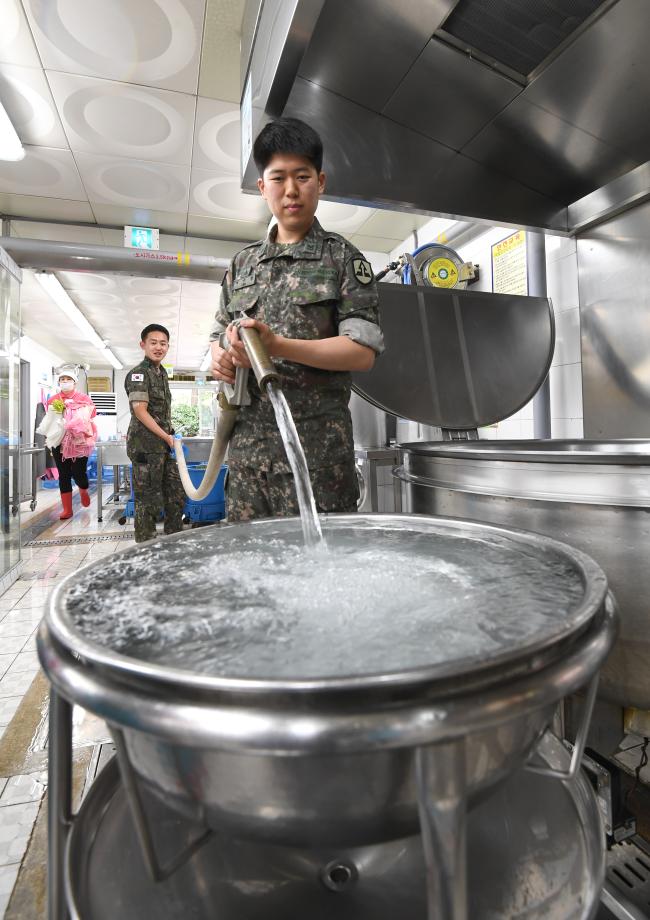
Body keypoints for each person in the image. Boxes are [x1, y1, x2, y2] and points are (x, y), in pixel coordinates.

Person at [209, 117, 384, 521]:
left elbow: (362, 352)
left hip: (317, 461)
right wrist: (220, 356)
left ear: (320, 182)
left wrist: (278, 348)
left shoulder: (342, 258)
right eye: (278, 178)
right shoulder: (242, 264)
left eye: (302, 176)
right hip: (249, 463)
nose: (291, 190)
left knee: (318, 578)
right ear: (262, 186)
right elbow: (220, 333)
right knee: (251, 574)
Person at [124, 324, 186, 543]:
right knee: (147, 501)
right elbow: (140, 411)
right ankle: (145, 547)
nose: (158, 347)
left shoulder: (161, 373)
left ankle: (173, 541)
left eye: (163, 343)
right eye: (153, 342)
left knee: (176, 495)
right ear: (143, 345)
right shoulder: (139, 374)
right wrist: (166, 436)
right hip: (145, 447)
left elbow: (160, 412)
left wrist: (172, 434)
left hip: (163, 446)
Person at [47, 366, 97, 520]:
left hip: (79, 442)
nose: (65, 382)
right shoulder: (54, 400)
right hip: (59, 441)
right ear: (59, 383)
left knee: (78, 471)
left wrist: (75, 408)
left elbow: (92, 414)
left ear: (75, 383)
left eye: (68, 380)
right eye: (62, 380)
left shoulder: (84, 398)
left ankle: (83, 490)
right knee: (64, 474)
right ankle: (67, 509)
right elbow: (50, 420)